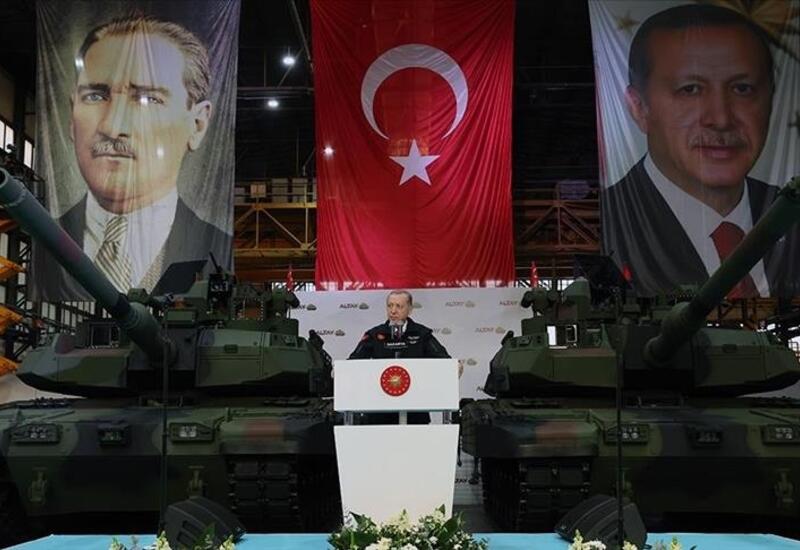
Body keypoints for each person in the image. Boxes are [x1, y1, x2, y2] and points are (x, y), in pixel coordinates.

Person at [603, 4, 800, 297]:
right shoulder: (615, 225)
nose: (721, 119)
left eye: (742, 88)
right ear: (639, 107)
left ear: (771, 98)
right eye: (691, 89)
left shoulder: (790, 216)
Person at [36, 14, 230, 299]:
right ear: (71, 116)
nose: (112, 127)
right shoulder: (43, 249)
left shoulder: (215, 249)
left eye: (148, 99)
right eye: (95, 96)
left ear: (198, 124)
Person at [349, 289, 450, 424]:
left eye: (399, 306)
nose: (393, 311)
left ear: (410, 309)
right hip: (380, 410)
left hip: (415, 409)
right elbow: (353, 361)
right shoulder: (374, 334)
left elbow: (444, 360)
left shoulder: (422, 334)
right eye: (390, 306)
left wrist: (454, 366)